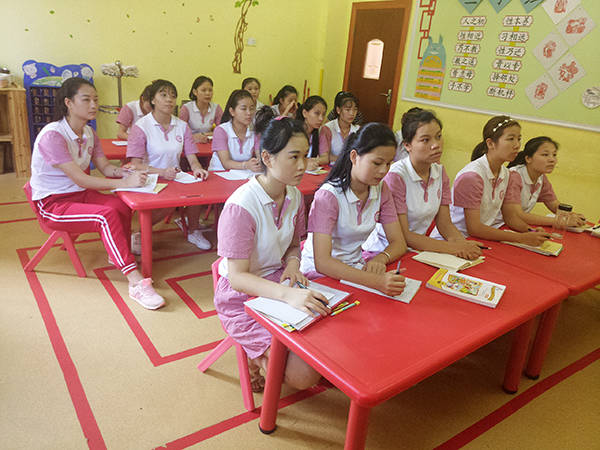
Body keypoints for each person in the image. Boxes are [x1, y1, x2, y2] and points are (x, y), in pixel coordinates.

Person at [29, 77, 165, 310]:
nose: (93, 105)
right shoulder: (53, 135)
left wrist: (125, 173)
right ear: (68, 103)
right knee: (105, 216)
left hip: (78, 194)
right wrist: (124, 182)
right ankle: (135, 281)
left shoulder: (89, 133)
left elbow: (106, 168)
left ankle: (117, 253)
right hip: (52, 204)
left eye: (96, 99)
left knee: (121, 205)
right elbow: (80, 178)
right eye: (86, 99)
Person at [214, 116, 327, 391]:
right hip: (240, 295)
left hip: (278, 280)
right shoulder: (241, 206)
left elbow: (293, 244)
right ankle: (257, 359)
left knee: (328, 336)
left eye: (305, 156)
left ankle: (267, 357)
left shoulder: (295, 196)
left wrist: (293, 264)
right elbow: (238, 277)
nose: (302, 165)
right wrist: (288, 294)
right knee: (304, 376)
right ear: (267, 157)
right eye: (294, 157)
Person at [300, 123, 407, 296]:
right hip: (320, 276)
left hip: (356, 270)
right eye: (377, 163)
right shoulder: (329, 196)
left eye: (388, 164)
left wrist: (381, 259)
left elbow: (398, 242)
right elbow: (323, 262)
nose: (383, 171)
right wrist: (376, 281)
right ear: (354, 156)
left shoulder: (381, 189)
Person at [363, 108, 482, 259]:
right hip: (384, 251)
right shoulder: (396, 176)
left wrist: (462, 244)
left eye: (438, 136)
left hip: (417, 250)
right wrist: (453, 248)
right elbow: (404, 234)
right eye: (425, 140)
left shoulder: (440, 172)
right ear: (407, 145)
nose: (436, 145)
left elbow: (445, 224)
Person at [436, 115, 550, 245]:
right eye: (510, 139)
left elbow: (510, 217)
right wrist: (521, 238)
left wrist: (530, 231)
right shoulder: (472, 177)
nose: (517, 145)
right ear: (490, 143)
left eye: (519, 139)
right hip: (454, 240)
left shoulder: (507, 174)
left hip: (482, 237)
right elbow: (474, 228)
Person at [127, 79, 210, 250]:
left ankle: (193, 230)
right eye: (163, 95)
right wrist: (162, 172)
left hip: (173, 177)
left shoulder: (182, 126)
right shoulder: (141, 127)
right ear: (153, 100)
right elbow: (135, 165)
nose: (169, 99)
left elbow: (192, 158)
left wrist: (197, 169)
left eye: (172, 96)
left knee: (198, 189)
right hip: (148, 177)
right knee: (170, 202)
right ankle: (140, 231)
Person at [502, 136, 586, 231]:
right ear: (528, 158)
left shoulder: (541, 177)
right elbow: (517, 215)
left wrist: (572, 216)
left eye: (554, 155)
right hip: (499, 226)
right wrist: (559, 221)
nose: (552, 159)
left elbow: (555, 205)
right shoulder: (514, 176)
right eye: (545, 155)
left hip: (515, 227)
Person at [208, 89, 260, 172]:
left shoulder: (255, 132)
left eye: (252, 108)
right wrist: (246, 165)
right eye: (243, 109)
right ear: (232, 111)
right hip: (219, 173)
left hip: (243, 174)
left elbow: (260, 157)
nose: (249, 113)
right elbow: (226, 163)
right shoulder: (221, 130)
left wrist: (260, 163)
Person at [179, 76, 223, 144]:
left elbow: (223, 130)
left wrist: (205, 134)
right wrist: (194, 137)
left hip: (208, 142)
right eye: (203, 90)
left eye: (210, 90)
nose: (208, 93)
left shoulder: (216, 108)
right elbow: (180, 132)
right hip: (190, 142)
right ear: (195, 92)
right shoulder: (186, 108)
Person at [321, 91, 359, 163]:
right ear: (338, 110)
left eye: (355, 109)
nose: (352, 113)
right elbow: (325, 157)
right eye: (347, 110)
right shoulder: (328, 128)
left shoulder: (358, 130)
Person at [296, 95, 330, 171]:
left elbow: (325, 158)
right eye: (317, 113)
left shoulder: (321, 131)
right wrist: (305, 163)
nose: (321, 118)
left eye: (323, 114)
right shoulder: (294, 132)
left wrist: (313, 161)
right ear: (305, 113)